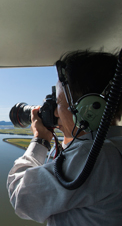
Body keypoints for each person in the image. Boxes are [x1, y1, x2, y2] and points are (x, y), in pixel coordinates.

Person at [7, 50, 122, 225]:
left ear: (89, 108)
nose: (55, 112)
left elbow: (21, 197)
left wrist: (40, 140)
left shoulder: (94, 157)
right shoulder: (111, 147)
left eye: (59, 103)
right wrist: (71, 134)